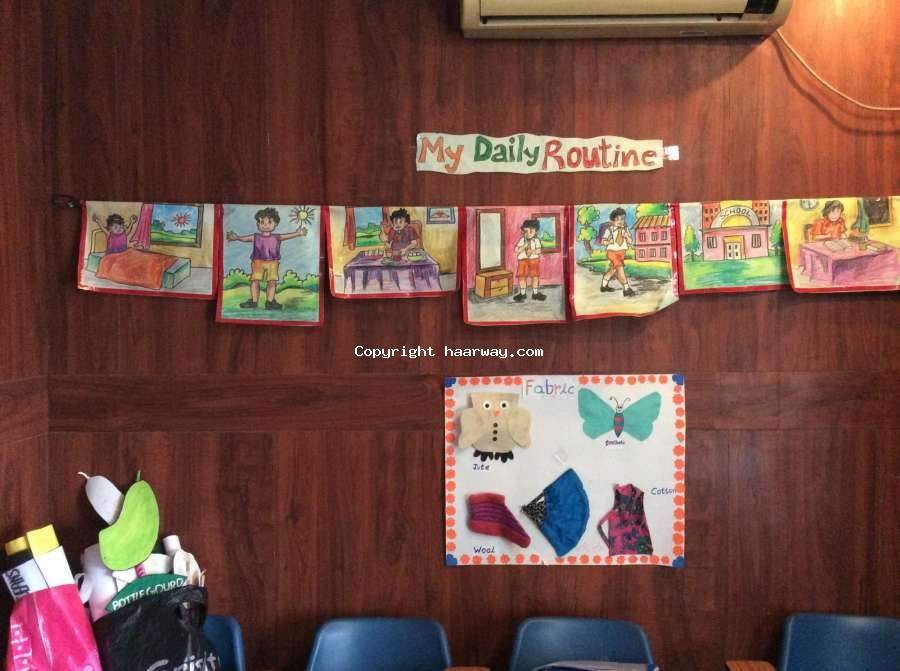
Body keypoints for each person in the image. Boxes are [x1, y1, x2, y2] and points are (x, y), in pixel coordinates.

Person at [226, 207, 307, 310]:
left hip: (272, 262)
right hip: (258, 261)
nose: (265, 225)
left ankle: (270, 302)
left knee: (272, 282)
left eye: (269, 222)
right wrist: (237, 237)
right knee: (255, 281)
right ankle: (254, 301)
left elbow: (287, 236)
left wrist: (298, 233)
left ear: (275, 224)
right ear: (258, 224)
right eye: (262, 222)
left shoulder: (277, 237)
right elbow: (245, 239)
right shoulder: (256, 237)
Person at [600, 207, 636, 297]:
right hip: (612, 252)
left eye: (622, 219)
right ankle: (626, 289)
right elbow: (603, 241)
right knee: (620, 268)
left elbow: (630, 241)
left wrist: (627, 236)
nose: (620, 221)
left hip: (622, 252)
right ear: (613, 220)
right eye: (617, 219)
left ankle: (604, 285)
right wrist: (609, 242)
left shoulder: (625, 229)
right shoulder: (609, 230)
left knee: (613, 269)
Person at [513, 219, 546, 302]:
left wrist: (532, 251)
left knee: (535, 276)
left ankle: (535, 293)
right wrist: (523, 246)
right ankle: (522, 293)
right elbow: (516, 250)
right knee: (522, 277)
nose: (528, 234)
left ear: (535, 232)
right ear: (523, 231)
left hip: (533, 260)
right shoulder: (522, 240)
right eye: (526, 231)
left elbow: (539, 250)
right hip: (522, 260)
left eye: (531, 231)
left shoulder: (536, 240)